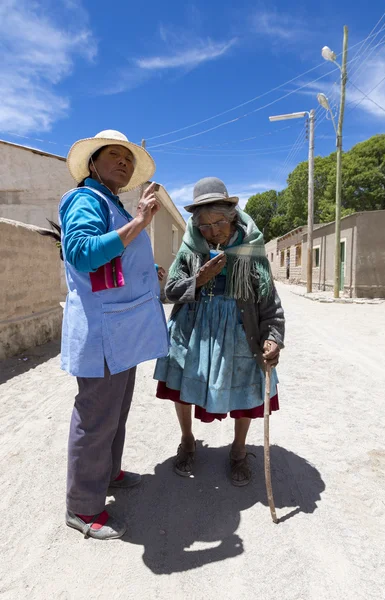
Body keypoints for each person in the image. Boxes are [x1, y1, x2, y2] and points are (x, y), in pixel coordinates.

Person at [58, 130, 169, 540]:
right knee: (96, 419)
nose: (123, 162)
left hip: (121, 332)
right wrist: (141, 222)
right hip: (103, 334)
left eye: (128, 158)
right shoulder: (85, 199)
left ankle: (109, 474)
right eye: (113, 155)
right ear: (93, 164)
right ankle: (83, 509)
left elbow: (118, 263)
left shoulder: (111, 204)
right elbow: (84, 253)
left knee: (115, 413)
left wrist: (147, 275)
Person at [154, 177, 285, 486]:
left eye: (219, 222)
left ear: (232, 216)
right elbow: (170, 291)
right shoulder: (190, 249)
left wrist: (273, 337)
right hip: (193, 328)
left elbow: (269, 300)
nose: (213, 231)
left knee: (247, 387)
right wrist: (198, 280)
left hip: (239, 328)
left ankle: (238, 452)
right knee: (183, 384)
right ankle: (187, 441)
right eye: (205, 226)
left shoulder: (251, 248)